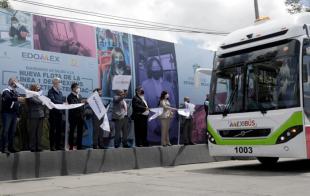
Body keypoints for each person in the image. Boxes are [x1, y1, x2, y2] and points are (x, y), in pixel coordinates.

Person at [1, 78, 24, 153]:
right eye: (14, 81)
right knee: (6, 131)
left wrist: (18, 115)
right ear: (10, 82)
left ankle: (11, 147)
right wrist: (17, 98)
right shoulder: (6, 91)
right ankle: (4, 148)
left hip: (14, 114)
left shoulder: (16, 92)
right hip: (7, 113)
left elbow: (18, 105)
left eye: (16, 81)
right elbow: (8, 99)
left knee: (13, 131)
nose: (16, 83)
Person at [47, 77, 65, 151]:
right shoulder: (50, 91)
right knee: (53, 130)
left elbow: (62, 100)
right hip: (53, 114)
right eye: (59, 82)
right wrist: (62, 103)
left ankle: (58, 145)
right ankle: (52, 146)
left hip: (59, 113)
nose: (60, 84)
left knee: (59, 130)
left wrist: (63, 104)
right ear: (55, 83)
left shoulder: (60, 92)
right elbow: (52, 100)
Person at [27, 84, 45, 152]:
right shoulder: (30, 94)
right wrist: (42, 101)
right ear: (33, 87)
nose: (39, 88)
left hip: (41, 115)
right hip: (34, 115)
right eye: (37, 87)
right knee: (33, 132)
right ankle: (32, 147)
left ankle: (39, 146)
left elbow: (44, 101)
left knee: (39, 132)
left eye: (39, 87)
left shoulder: (40, 94)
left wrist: (43, 101)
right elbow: (36, 101)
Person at [67, 82, 84, 150]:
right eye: (77, 87)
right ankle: (71, 146)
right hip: (73, 117)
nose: (78, 89)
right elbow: (73, 105)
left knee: (80, 132)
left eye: (78, 87)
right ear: (73, 88)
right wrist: (81, 103)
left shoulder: (80, 96)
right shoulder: (70, 96)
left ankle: (79, 146)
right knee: (72, 131)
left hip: (80, 117)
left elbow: (82, 106)